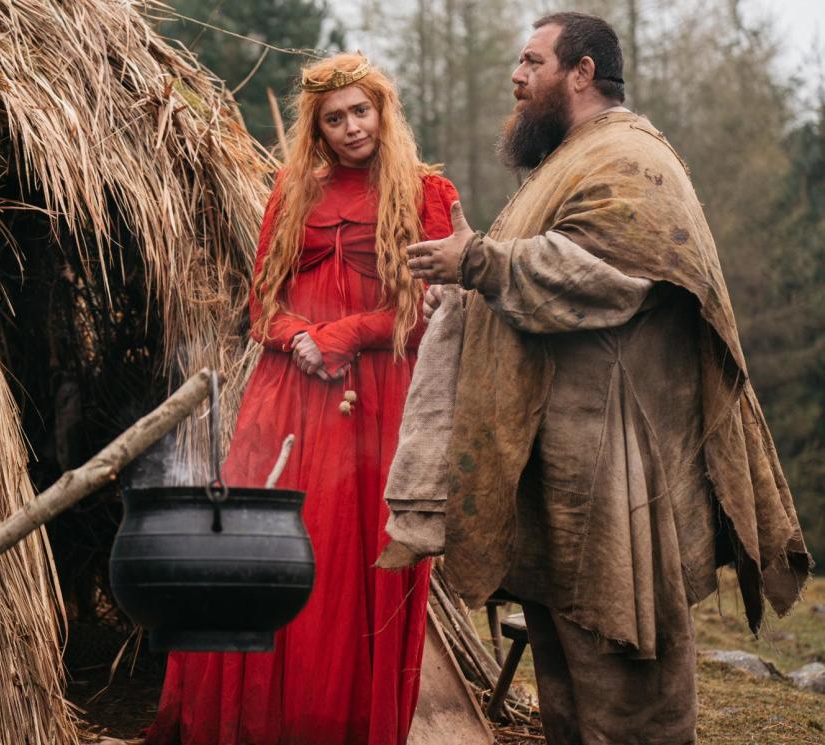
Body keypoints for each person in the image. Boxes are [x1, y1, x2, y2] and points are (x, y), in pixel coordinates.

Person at [389, 12, 812, 744]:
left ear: (581, 72)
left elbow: (607, 278)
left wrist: (483, 264)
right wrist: (464, 286)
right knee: (567, 690)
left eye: (531, 62)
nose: (516, 78)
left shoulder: (629, 161)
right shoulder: (570, 159)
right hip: (561, 467)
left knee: (627, 686)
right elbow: (527, 275)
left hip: (619, 478)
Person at [147, 53, 461, 745]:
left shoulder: (428, 192)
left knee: (357, 567)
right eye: (334, 117)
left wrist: (346, 332)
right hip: (286, 394)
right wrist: (298, 338)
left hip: (377, 403)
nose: (352, 127)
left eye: (361, 110)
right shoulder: (291, 188)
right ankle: (254, 722)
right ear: (315, 129)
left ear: (384, 109)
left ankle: (338, 724)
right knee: (267, 551)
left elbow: (436, 311)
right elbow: (262, 305)